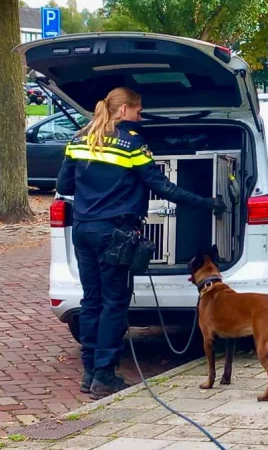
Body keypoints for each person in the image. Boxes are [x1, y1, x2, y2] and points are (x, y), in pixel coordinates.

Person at [57, 87, 226, 399]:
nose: (140, 117)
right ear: (123, 111)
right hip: (115, 234)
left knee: (91, 302)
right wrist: (206, 203)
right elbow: (163, 187)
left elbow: (64, 185)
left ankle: (90, 373)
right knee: (114, 303)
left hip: (83, 230)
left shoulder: (78, 141)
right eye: (138, 111)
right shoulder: (132, 144)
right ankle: (105, 375)